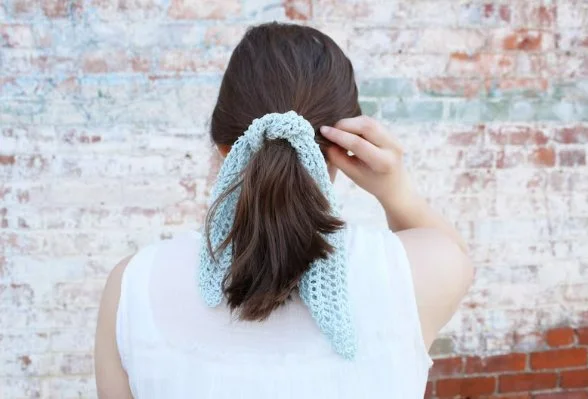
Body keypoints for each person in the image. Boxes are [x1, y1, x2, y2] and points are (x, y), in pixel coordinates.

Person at [95, 22, 473, 398]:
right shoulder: (417, 274)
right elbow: (458, 262)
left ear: (224, 148)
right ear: (341, 152)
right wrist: (397, 191)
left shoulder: (129, 288)